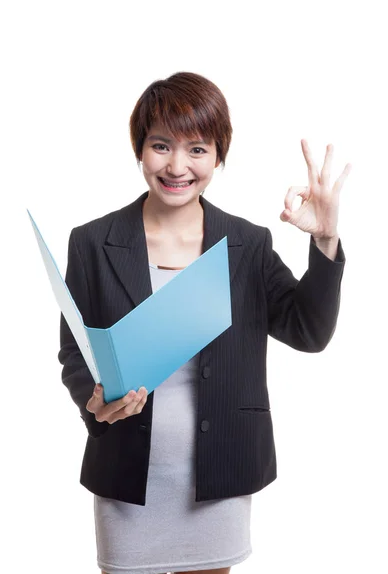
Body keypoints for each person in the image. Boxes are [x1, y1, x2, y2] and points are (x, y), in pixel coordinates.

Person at [58, 71, 350, 574]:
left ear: (218, 156)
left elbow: (309, 331)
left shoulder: (247, 245)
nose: (177, 165)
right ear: (139, 150)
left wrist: (325, 240)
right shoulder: (91, 242)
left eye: (197, 149)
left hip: (219, 476)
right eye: (160, 145)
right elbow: (74, 351)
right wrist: (94, 398)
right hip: (128, 480)